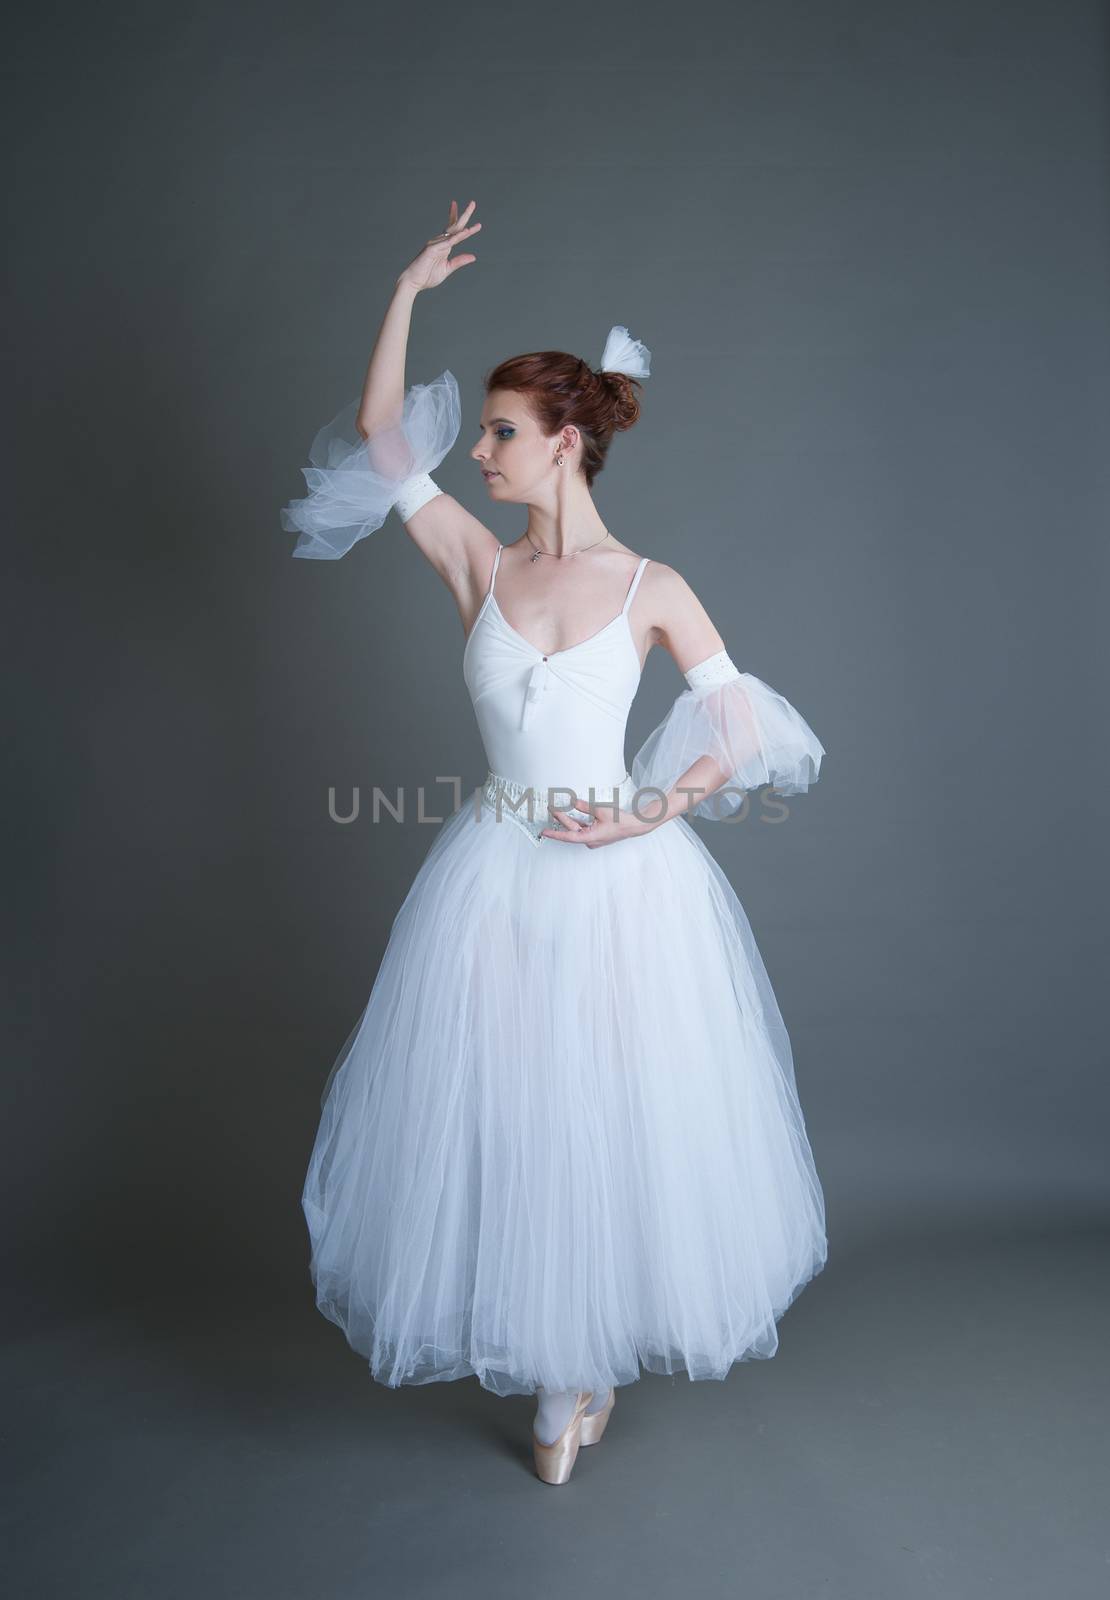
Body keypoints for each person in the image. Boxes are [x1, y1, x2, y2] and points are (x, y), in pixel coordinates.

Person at [282, 201, 828, 1487]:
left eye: (502, 433)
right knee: (516, 1116)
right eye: (482, 430)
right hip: (492, 874)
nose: (479, 449)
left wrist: (648, 809)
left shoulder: (651, 587)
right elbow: (375, 436)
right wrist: (406, 285)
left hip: (621, 886)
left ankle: (581, 1366)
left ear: (567, 443)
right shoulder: (478, 565)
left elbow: (739, 730)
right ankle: (552, 1360)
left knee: (610, 1114)